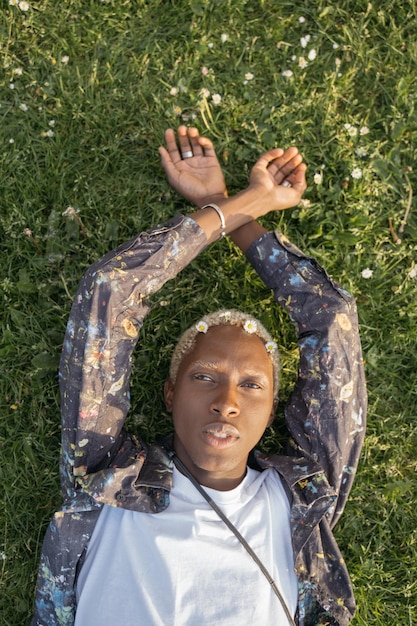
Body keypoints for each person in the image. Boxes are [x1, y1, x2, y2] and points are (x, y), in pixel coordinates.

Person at [31, 127, 366, 626]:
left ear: (273, 408)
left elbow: (332, 317)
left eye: (252, 385)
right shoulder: (106, 475)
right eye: (205, 377)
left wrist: (228, 205)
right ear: (169, 393)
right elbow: (109, 293)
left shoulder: (303, 497)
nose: (227, 401)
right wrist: (243, 203)